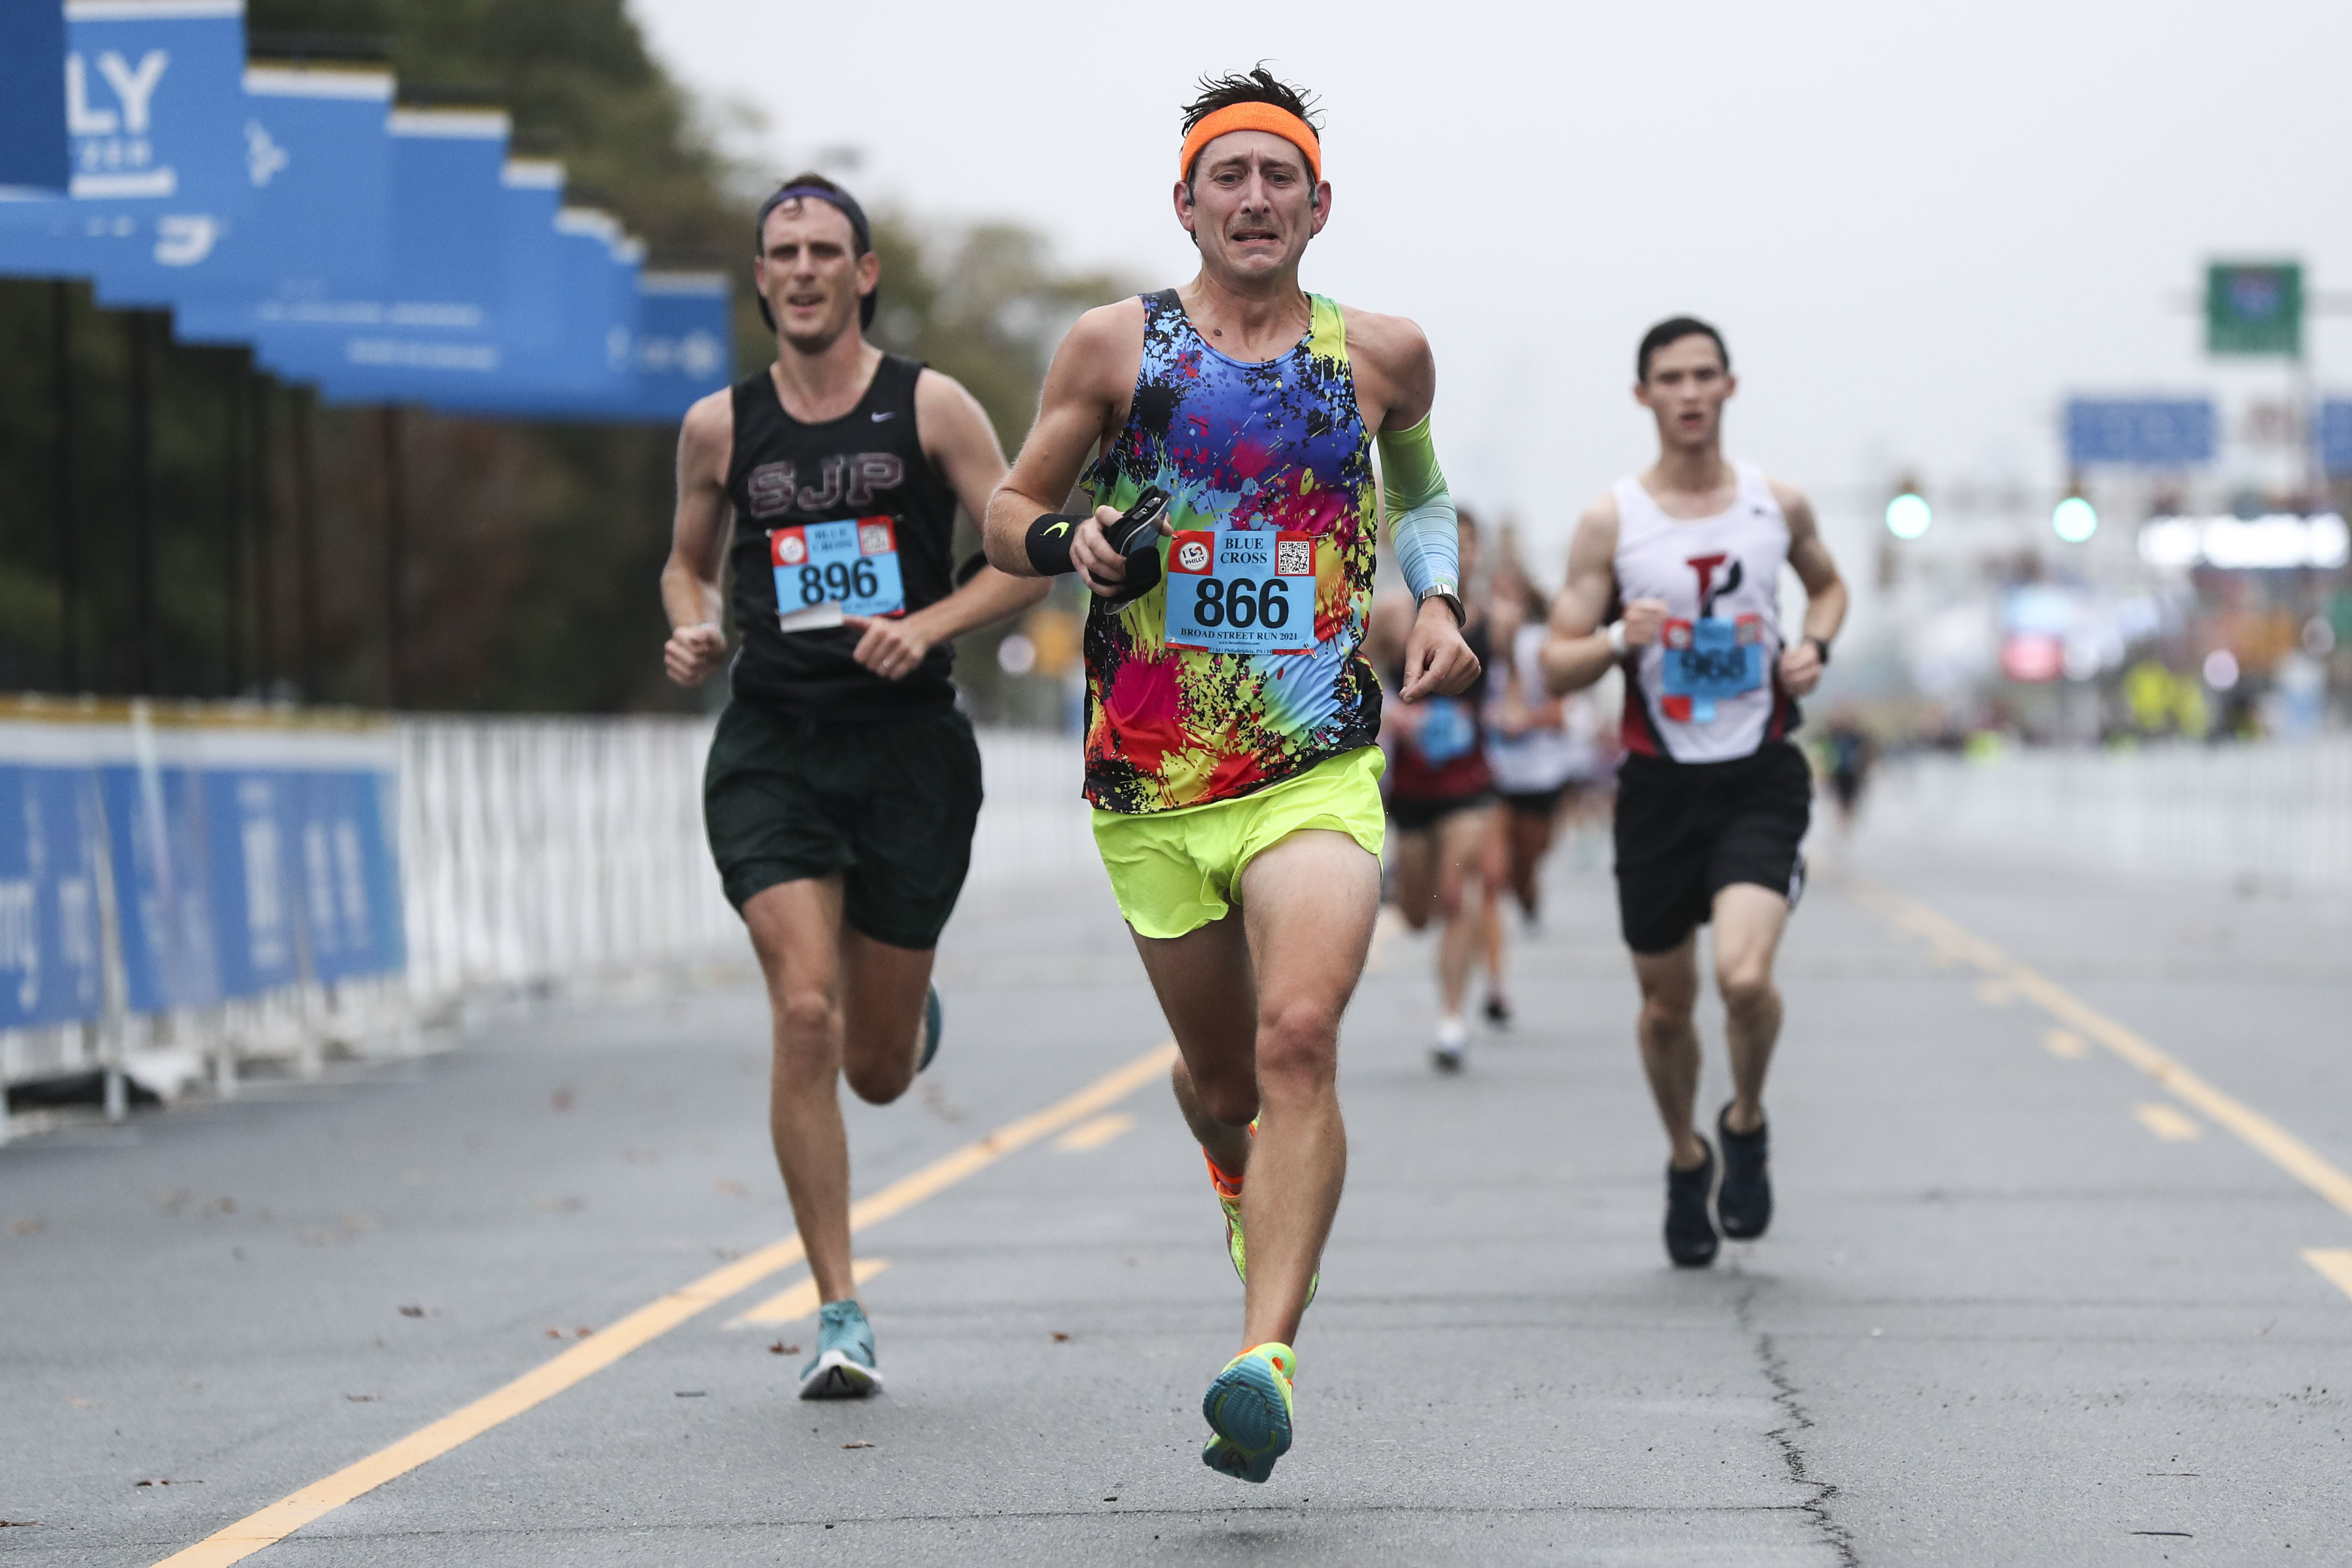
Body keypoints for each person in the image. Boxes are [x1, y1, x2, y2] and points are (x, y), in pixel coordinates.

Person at [983, 69, 1479, 1482]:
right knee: (1220, 1086)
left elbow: (1426, 495)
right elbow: (1015, 506)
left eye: (1280, 177)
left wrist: (1437, 604)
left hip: (1314, 760)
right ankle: (1231, 1173)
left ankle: (1264, 1356)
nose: (1253, 199)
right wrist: (1066, 541)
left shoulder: (1380, 357)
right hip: (1149, 778)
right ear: (1186, 203)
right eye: (1228, 177)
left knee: (1299, 1037)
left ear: (1320, 204)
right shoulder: (1112, 351)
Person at [660, 174, 1048, 1397]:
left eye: (829, 249)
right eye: (785, 252)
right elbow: (682, 566)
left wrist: (928, 624)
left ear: (864, 273)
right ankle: (839, 1307)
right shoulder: (719, 428)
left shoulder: (930, 407)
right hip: (774, 745)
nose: (807, 269)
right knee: (804, 1014)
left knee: (876, 1065)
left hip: (908, 756)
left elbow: (1026, 560)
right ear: (763, 278)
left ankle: (906, 1016)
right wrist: (691, 627)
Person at [1541, 316, 1847, 1269]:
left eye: (1701, 375)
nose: (1686, 392)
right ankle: (1685, 1151)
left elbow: (1828, 588)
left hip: (1759, 773)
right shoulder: (1611, 521)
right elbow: (1553, 664)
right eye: (1667, 377)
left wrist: (1813, 647)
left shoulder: (1774, 503)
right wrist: (1614, 642)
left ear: (1727, 387)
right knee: (1666, 1008)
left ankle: (1745, 1117)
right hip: (1657, 787)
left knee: (1743, 978)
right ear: (1643, 396)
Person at [1368, 514, 1500, 1071]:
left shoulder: (1498, 621)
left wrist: (1510, 714)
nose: (1459, 557)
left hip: (1470, 783)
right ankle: (1402, 886)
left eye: (1467, 547)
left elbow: (1513, 687)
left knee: (1460, 887)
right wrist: (1392, 715)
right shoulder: (1396, 616)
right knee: (1420, 913)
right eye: (1450, 545)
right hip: (1414, 786)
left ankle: (1451, 1020)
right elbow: (1362, 668)